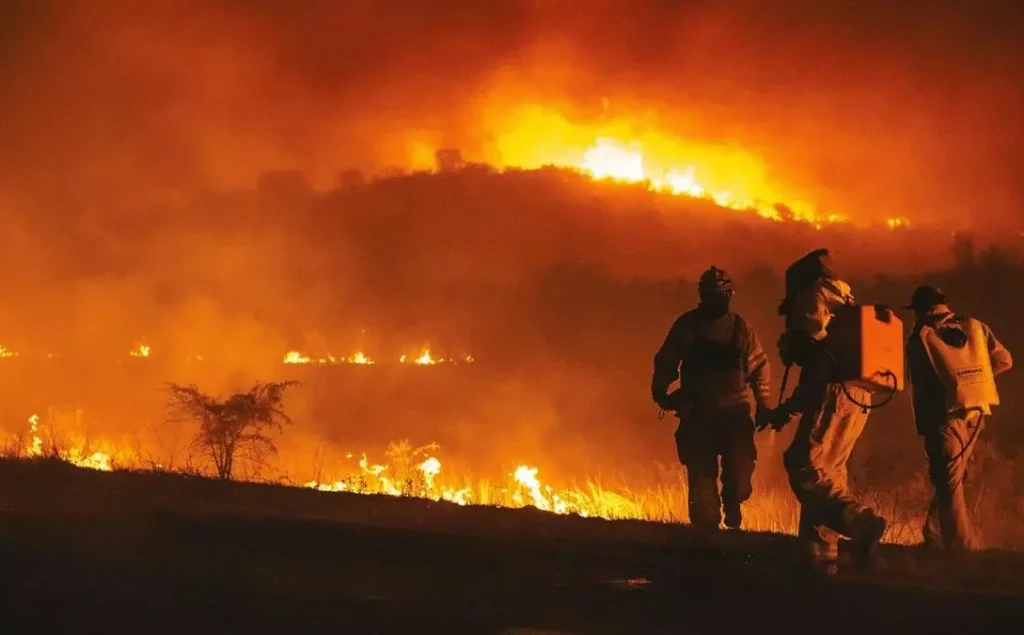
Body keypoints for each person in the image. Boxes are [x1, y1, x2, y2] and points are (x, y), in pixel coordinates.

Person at [766, 249, 887, 572]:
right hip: (860, 394)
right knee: (830, 469)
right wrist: (790, 410)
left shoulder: (813, 298)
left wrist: (793, 348)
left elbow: (818, 362)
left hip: (835, 392)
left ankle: (859, 523)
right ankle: (820, 551)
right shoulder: (845, 301)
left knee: (804, 465)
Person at [652, 266, 771, 531]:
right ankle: (707, 539)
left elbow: (759, 367)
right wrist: (661, 390)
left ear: (729, 295)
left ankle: (733, 502)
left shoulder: (741, 330)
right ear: (702, 296)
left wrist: (764, 405)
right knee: (702, 481)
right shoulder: (687, 327)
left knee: (740, 477)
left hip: (735, 413)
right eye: (709, 295)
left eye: (720, 295)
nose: (714, 301)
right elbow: (667, 359)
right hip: (699, 414)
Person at [904, 285, 1012, 554]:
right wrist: (973, 383)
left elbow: (922, 381)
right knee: (951, 479)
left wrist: (952, 387)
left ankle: (960, 551)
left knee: (949, 483)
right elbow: (1004, 360)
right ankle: (934, 537)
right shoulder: (975, 326)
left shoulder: (921, 337)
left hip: (944, 418)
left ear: (924, 310)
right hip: (976, 414)